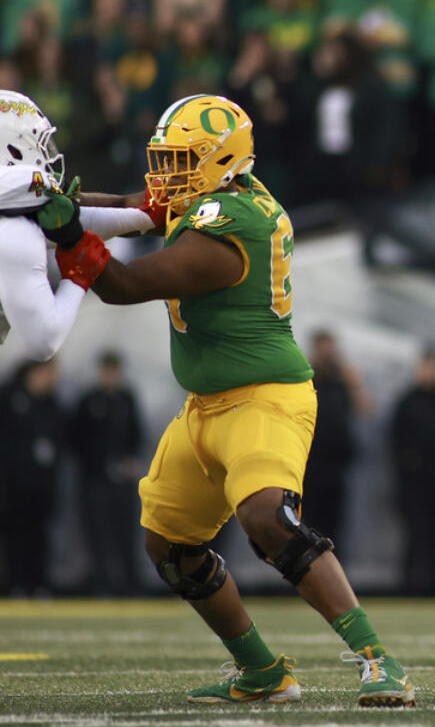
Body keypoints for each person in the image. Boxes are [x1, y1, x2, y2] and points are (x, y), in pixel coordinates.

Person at [41, 94, 414, 707]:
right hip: (205, 406)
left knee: (268, 518)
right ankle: (262, 672)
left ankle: (378, 659)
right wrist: (58, 205)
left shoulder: (232, 222)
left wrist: (67, 233)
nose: (167, 175)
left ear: (224, 161)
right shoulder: (217, 192)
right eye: (165, 159)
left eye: (183, 160)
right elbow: (136, 207)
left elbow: (125, 285)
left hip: (265, 398)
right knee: (169, 548)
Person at [0, 90, 156, 360]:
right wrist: (77, 277)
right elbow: (43, 342)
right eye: (38, 144)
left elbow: (74, 217)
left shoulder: (17, 205)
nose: (47, 155)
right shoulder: (13, 228)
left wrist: (148, 217)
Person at [390, 347, 435, 596]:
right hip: (414, 483)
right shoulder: (407, 402)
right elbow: (394, 442)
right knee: (414, 535)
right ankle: (410, 586)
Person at [70, 350, 145, 596]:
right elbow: (77, 440)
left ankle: (130, 584)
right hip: (95, 480)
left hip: (123, 480)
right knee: (98, 533)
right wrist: (97, 466)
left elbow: (136, 434)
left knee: (126, 532)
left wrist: (130, 462)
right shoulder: (89, 401)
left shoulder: (126, 399)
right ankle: (102, 583)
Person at [0, 359, 66, 597]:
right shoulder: (11, 397)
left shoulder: (51, 403)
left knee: (41, 536)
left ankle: (40, 583)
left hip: (43, 484)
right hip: (15, 484)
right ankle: (17, 583)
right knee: (16, 535)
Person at [303, 330, 370, 547]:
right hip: (310, 467)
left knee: (334, 532)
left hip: (336, 468)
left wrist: (355, 383)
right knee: (308, 531)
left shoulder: (341, 383)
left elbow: (365, 409)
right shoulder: (305, 381)